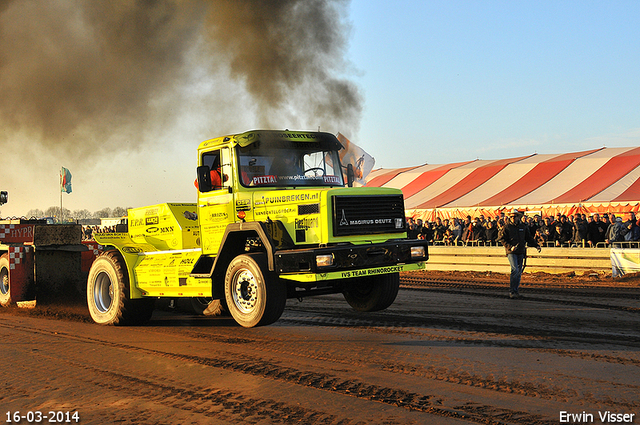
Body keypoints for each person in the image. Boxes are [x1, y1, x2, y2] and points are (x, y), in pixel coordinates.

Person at [497, 209, 541, 299]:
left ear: (518, 217)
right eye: (511, 217)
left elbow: (528, 237)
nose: (513, 218)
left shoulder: (523, 227)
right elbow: (502, 239)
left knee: (519, 271)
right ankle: (512, 291)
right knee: (515, 270)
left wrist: (536, 245)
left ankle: (515, 290)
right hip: (511, 252)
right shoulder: (507, 227)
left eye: (515, 216)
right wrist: (510, 247)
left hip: (520, 251)